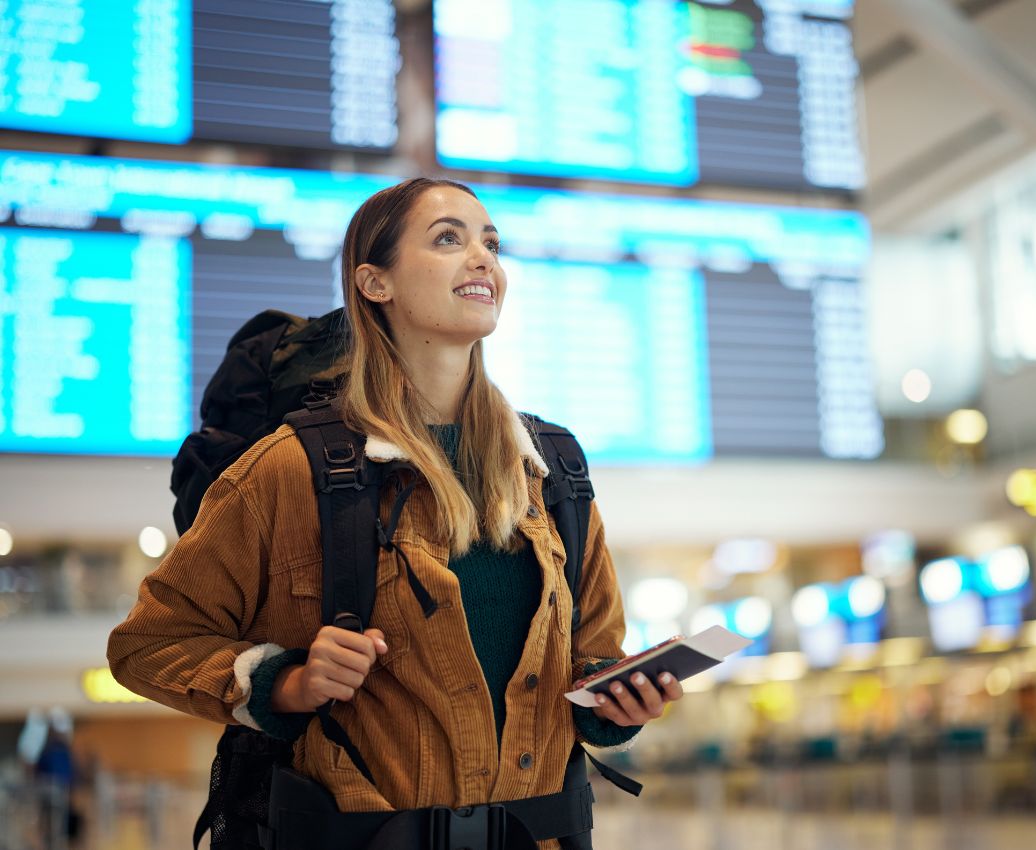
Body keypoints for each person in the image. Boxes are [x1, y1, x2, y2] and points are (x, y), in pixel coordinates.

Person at [107, 177, 685, 848]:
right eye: (448, 239)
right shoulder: (291, 468)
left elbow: (592, 659)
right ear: (374, 283)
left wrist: (615, 706)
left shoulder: (550, 471)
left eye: (491, 243)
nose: (483, 260)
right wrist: (285, 683)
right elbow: (149, 645)